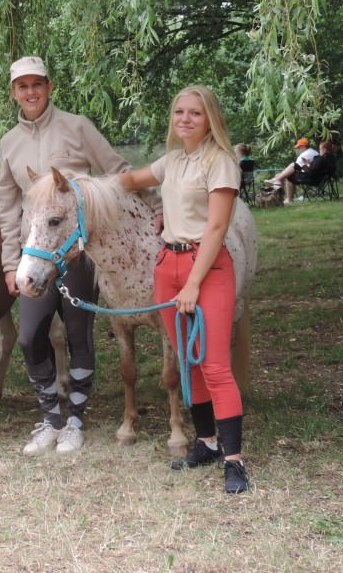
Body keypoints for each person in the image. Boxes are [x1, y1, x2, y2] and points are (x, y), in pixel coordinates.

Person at [0, 55, 137, 457]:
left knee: (78, 333)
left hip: (77, 253)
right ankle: (50, 418)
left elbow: (117, 171)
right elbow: (7, 207)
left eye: (36, 84)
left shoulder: (78, 127)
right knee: (28, 337)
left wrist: (150, 211)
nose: (30, 92)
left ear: (49, 86)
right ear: (14, 92)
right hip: (35, 256)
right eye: (22, 86)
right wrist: (10, 262)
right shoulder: (9, 143)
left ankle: (75, 420)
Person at [118, 84, 250, 494]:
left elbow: (215, 228)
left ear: (210, 118)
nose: (185, 119)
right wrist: (82, 181)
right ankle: (207, 444)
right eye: (179, 112)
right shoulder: (173, 161)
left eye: (195, 113)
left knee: (214, 365)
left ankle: (234, 461)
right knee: (189, 363)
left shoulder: (221, 162)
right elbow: (129, 179)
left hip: (206, 268)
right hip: (168, 266)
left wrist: (193, 283)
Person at [264, 138, 319, 203]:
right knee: (281, 176)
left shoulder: (306, 153)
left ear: (303, 146)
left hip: (310, 177)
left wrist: (283, 175)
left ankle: (288, 199)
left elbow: (296, 166)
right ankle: (277, 182)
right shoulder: (313, 152)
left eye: (299, 147)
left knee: (289, 176)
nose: (298, 149)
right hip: (313, 175)